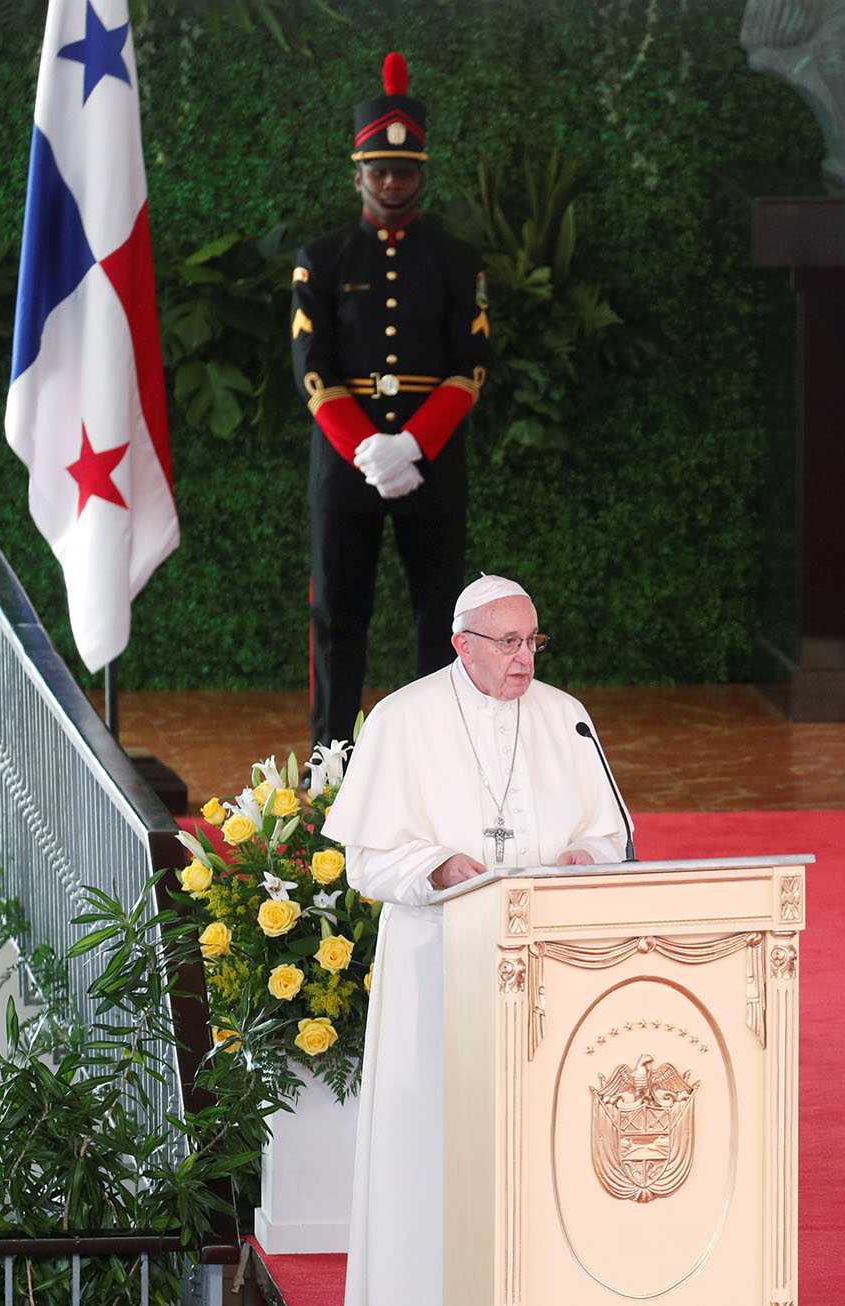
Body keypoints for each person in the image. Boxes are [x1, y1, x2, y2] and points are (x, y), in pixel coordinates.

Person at [323, 574, 630, 1306]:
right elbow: (364, 859)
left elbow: (609, 831)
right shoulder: (404, 719)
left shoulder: (567, 718)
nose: (524, 658)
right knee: (434, 1142)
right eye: (508, 643)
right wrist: (437, 866)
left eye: (533, 641)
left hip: (549, 967)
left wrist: (586, 858)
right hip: (439, 962)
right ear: (462, 644)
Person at [294, 51, 491, 751]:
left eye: (404, 171)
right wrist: (367, 448)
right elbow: (312, 368)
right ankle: (328, 768)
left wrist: (412, 444)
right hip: (347, 470)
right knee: (337, 621)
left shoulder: (456, 260)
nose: (392, 181)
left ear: (423, 176)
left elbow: (471, 365)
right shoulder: (321, 259)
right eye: (379, 170)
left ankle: (438, 760)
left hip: (430, 468)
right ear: (358, 175)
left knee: (442, 619)